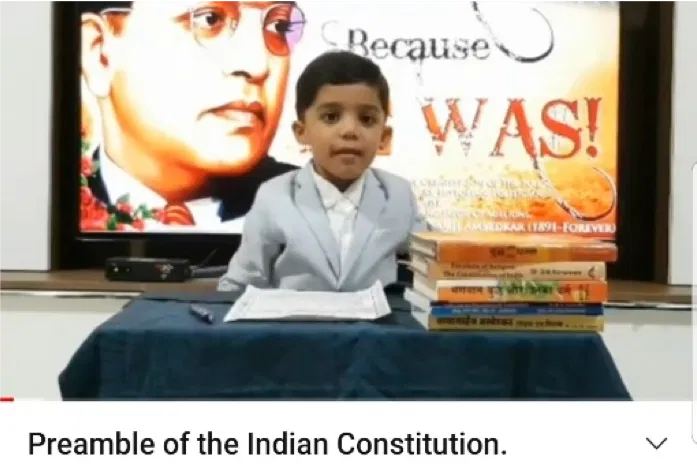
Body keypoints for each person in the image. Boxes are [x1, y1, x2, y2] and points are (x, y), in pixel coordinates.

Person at [78, 1, 304, 231]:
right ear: (100, 53)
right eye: (210, 19)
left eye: (279, 26)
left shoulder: (312, 205)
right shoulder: (60, 202)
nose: (258, 65)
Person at [218, 50, 429, 294]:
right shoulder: (274, 196)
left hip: (375, 319)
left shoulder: (398, 194)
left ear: (384, 136)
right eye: (331, 117)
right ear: (301, 132)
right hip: (298, 319)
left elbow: (442, 258)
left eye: (366, 119)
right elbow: (239, 283)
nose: (350, 131)